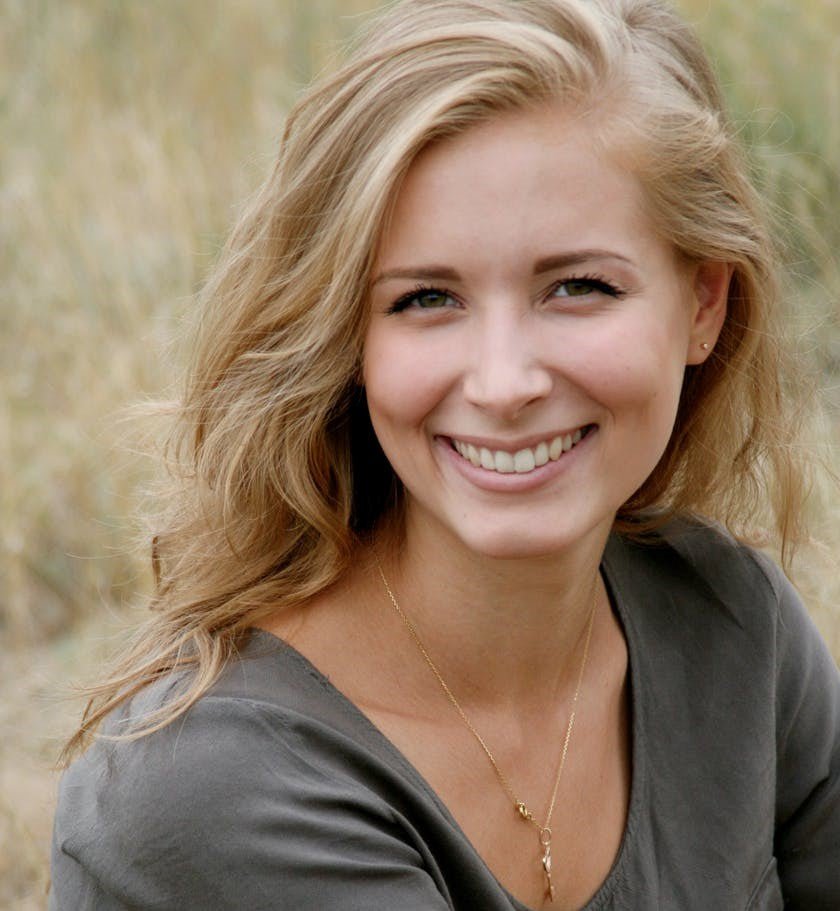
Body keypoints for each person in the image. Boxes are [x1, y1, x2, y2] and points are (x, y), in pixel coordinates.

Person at [50, 0, 840, 908]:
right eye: (426, 299)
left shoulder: (731, 627)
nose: (503, 383)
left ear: (703, 303)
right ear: (346, 338)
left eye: (578, 287)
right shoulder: (213, 789)